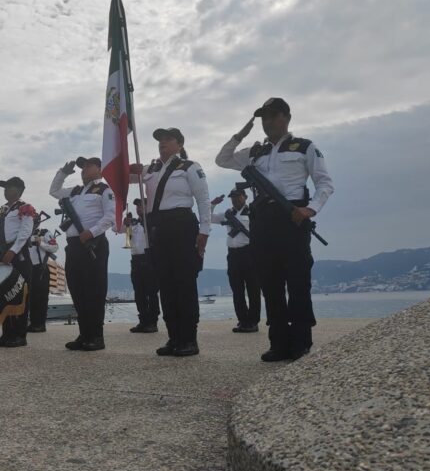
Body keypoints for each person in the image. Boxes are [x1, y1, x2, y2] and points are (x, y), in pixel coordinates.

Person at [215, 97, 334, 361]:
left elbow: (325, 183)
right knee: (270, 284)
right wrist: (241, 134)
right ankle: (278, 342)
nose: (267, 122)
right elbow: (222, 159)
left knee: (297, 281)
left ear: (286, 117)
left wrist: (310, 209)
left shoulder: (304, 147)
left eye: (273, 116)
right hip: (262, 222)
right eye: (263, 117)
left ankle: (301, 340)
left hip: (293, 217)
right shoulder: (255, 152)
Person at [130, 128, 211, 357]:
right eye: (160, 140)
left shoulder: (189, 167)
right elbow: (124, 176)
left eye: (168, 139)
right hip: (159, 229)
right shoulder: (151, 169)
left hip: (182, 225)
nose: (163, 143)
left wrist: (204, 231)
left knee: (184, 283)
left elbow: (203, 199)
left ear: (179, 144)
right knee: (165, 284)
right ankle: (174, 337)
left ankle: (189, 339)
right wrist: (123, 158)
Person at [49, 157, 115, 351]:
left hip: (93, 244)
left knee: (94, 291)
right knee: (78, 290)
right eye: (82, 166)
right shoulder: (76, 191)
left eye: (88, 166)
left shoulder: (104, 190)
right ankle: (84, 334)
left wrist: (92, 232)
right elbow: (54, 191)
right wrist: (63, 172)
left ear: (100, 170)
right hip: (74, 245)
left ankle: (96, 336)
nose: (84, 169)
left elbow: (110, 217)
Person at [0, 176, 36, 347]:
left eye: (9, 187)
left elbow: (25, 232)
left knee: (18, 295)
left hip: (17, 254)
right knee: (3, 294)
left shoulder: (25, 208)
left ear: (18, 190)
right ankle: (7, 334)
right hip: (0, 254)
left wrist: (13, 251)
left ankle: (19, 335)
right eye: (4, 188)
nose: (5, 190)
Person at [211, 188, 261, 333]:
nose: (235, 199)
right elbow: (208, 217)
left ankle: (253, 321)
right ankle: (243, 320)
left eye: (238, 196)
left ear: (245, 197)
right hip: (233, 254)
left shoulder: (252, 212)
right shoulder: (228, 214)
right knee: (237, 289)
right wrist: (213, 204)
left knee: (253, 289)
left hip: (249, 252)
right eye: (232, 197)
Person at [116, 198, 160, 333]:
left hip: (150, 259)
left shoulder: (153, 221)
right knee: (139, 293)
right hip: (136, 260)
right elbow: (117, 229)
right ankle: (143, 321)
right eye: (137, 206)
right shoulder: (132, 224)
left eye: (141, 205)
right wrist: (125, 222)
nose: (138, 208)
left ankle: (152, 322)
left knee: (152, 292)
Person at [27, 213, 59, 333]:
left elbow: (55, 247)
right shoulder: (24, 234)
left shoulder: (45, 233)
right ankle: (33, 323)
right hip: (28, 269)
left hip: (40, 269)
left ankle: (40, 324)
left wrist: (41, 243)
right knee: (30, 298)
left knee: (40, 298)